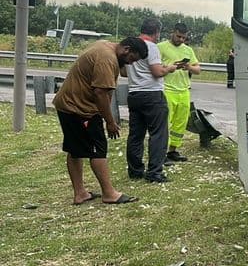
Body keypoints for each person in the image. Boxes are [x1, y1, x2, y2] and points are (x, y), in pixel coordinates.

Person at [53, 37, 147, 205]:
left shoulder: (105, 45)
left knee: (75, 150)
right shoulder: (107, 59)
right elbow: (100, 94)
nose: (131, 64)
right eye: (132, 59)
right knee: (98, 149)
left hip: (67, 104)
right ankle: (109, 193)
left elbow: (120, 70)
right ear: (126, 49)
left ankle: (80, 193)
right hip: (81, 109)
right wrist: (109, 121)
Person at [125, 18, 183, 183]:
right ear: (156, 32)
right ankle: (154, 172)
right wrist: (170, 68)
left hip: (134, 93)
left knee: (135, 135)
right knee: (158, 134)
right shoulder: (151, 47)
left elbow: (123, 72)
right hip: (152, 94)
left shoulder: (131, 46)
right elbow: (157, 72)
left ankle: (135, 170)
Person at [158, 23, 201, 162]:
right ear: (172, 32)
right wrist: (169, 67)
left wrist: (188, 66)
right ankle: (161, 152)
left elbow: (198, 70)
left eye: (184, 37)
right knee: (165, 122)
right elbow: (155, 67)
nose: (181, 40)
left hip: (184, 90)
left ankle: (173, 150)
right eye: (178, 36)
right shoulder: (161, 47)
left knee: (180, 122)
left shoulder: (188, 50)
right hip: (167, 89)